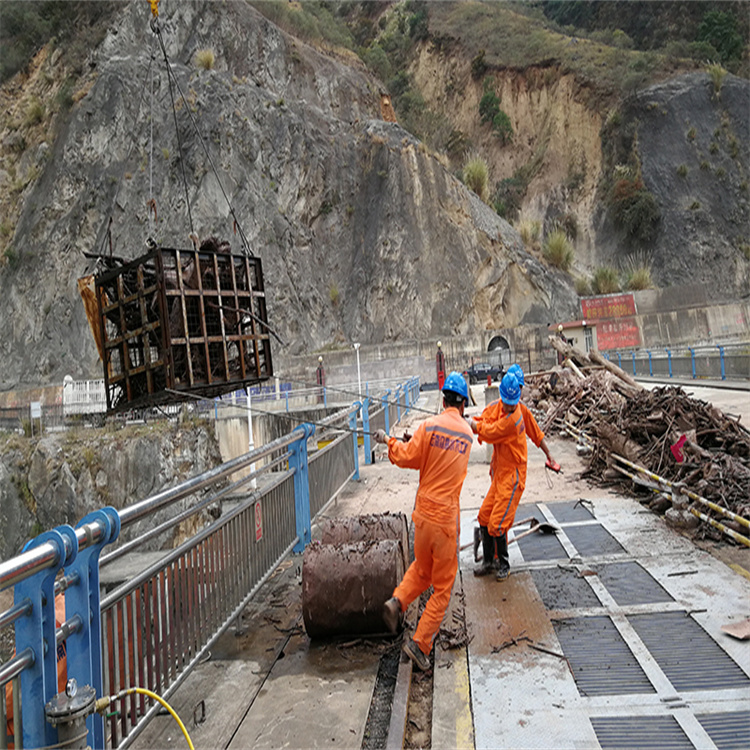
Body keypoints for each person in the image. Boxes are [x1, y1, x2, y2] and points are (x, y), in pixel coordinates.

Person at [374, 371, 473, 671]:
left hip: (423, 517)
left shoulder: (428, 426)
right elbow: (441, 455)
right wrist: (418, 442)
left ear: (442, 399)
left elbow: (408, 457)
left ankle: (398, 601)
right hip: (445, 522)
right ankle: (420, 644)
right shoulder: (467, 435)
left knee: (420, 568)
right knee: (442, 588)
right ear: (463, 404)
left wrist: (388, 440)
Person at [468, 370, 557, 580]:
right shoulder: (499, 407)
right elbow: (486, 417)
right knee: (484, 516)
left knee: (498, 523)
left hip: (513, 477)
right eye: (505, 402)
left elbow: (491, 432)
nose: (507, 407)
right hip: (499, 474)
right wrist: (469, 420)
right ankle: (489, 561)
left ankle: (503, 564)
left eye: (511, 402)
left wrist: (474, 426)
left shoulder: (514, 419)